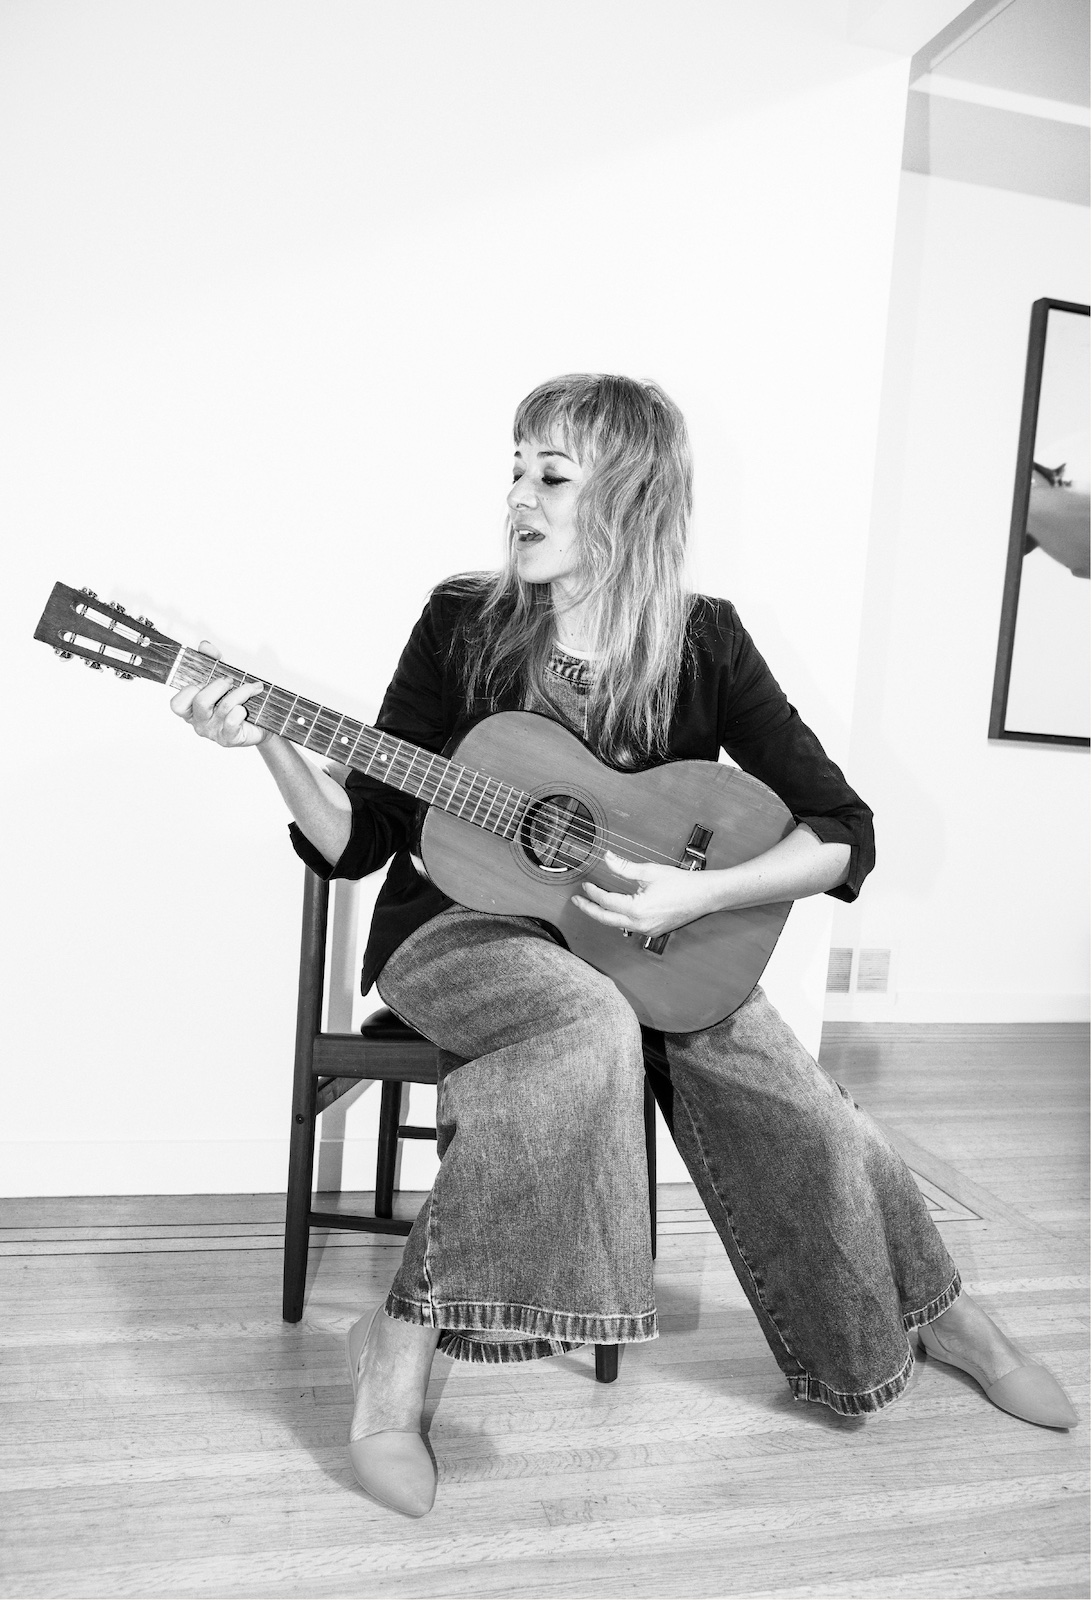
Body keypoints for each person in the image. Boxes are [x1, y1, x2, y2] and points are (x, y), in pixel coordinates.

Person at [171, 373, 1077, 1518]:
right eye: (514, 467)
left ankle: (939, 1314)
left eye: (550, 474)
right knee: (584, 1023)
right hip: (461, 940)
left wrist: (702, 898)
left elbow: (842, 833)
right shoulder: (461, 621)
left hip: (637, 945)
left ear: (631, 498)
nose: (518, 496)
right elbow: (361, 840)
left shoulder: (705, 643)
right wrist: (267, 745)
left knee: (801, 1104)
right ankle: (400, 1350)